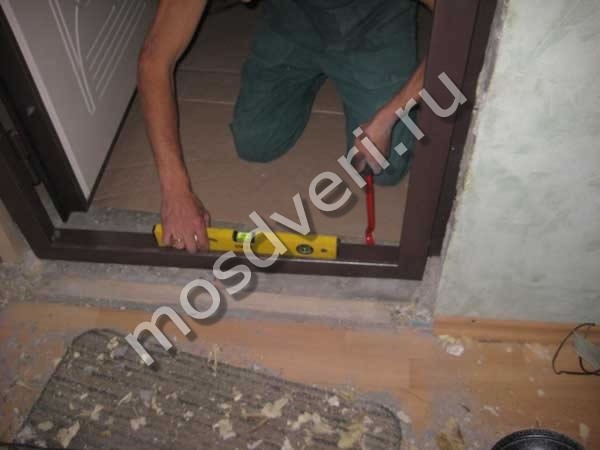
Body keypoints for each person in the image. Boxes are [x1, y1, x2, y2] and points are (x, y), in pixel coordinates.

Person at [138, 0, 434, 253]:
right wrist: (175, 192)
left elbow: (457, 38)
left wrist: (390, 114)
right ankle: (314, 75)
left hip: (377, 25)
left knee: (384, 167)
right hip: (292, 22)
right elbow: (155, 58)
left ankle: (365, 81)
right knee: (255, 141)